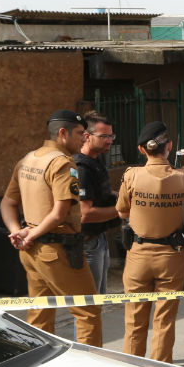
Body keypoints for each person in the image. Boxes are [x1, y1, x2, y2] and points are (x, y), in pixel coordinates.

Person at [0, 109, 103, 345]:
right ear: (63, 133)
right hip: (58, 252)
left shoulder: (27, 159)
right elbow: (59, 213)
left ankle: (41, 360)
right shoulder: (63, 164)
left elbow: (7, 203)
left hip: (31, 251)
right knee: (87, 311)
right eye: (80, 133)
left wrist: (18, 232)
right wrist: (29, 235)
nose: (84, 138)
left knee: (40, 313)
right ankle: (90, 364)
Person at [115, 122, 184, 363]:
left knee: (134, 319)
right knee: (164, 320)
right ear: (169, 146)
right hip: (171, 256)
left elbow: (122, 212)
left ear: (142, 150)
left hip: (138, 255)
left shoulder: (131, 175)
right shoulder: (181, 177)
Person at [75, 111, 121, 295]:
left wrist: (121, 196)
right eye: (104, 136)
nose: (109, 141)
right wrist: (123, 209)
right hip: (87, 242)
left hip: (99, 238)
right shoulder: (82, 168)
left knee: (99, 297)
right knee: (90, 301)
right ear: (87, 136)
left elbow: (100, 194)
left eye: (111, 136)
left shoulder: (96, 161)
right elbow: (85, 214)